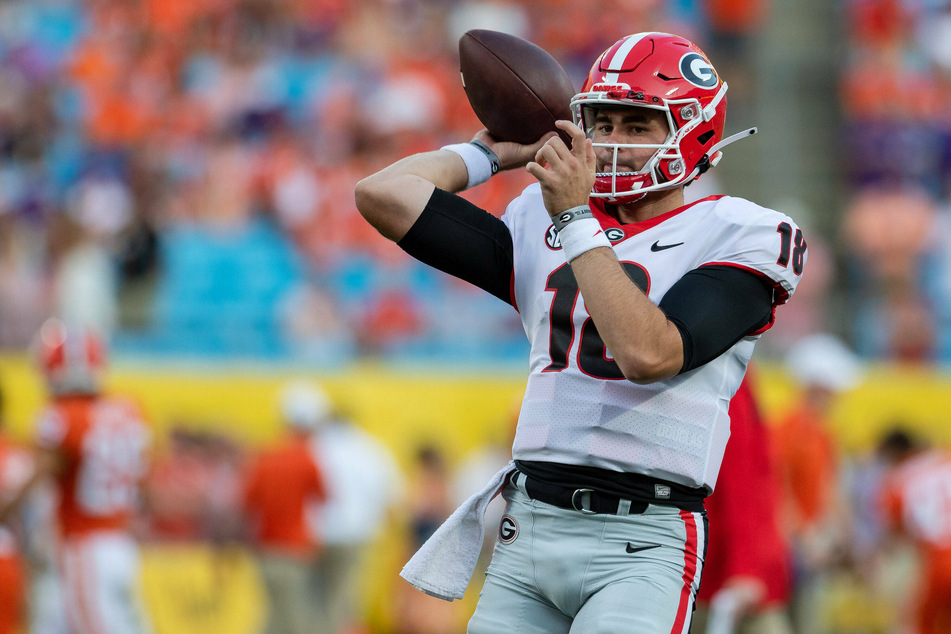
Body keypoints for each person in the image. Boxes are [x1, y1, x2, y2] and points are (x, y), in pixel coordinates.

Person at [355, 31, 805, 632]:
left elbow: (650, 353)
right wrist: (490, 155)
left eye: (638, 126)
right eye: (603, 121)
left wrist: (574, 219)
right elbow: (383, 194)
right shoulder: (540, 218)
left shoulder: (741, 231)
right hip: (529, 528)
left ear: (694, 132)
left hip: (644, 539)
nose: (613, 143)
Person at [0, 318, 153, 634]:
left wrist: (7, 506)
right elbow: (141, 480)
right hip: (120, 541)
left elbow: (39, 477)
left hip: (83, 545)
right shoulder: (128, 409)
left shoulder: (62, 417)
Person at [289, 380, 405, 634]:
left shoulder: (314, 447)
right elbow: (394, 499)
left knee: (315, 602)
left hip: (316, 535)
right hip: (357, 536)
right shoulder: (371, 449)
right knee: (346, 602)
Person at [770, 333, 862, 632]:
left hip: (809, 545)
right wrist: (803, 539)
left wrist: (844, 535)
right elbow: (777, 489)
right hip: (792, 547)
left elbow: (828, 488)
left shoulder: (822, 433)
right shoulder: (788, 429)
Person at [694, 369, 793, 634]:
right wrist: (745, 567)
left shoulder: (731, 366)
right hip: (719, 573)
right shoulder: (725, 365)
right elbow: (738, 476)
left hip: (724, 570)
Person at [242, 382, 327, 634]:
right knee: (295, 618)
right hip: (296, 549)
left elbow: (248, 502)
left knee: (272, 615)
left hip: (266, 547)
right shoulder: (307, 459)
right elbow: (323, 498)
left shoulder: (264, 456)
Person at [878, 428, 951, 634]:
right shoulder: (945, 457)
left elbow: (897, 536)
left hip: (937, 562)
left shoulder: (898, 481)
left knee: (921, 624)